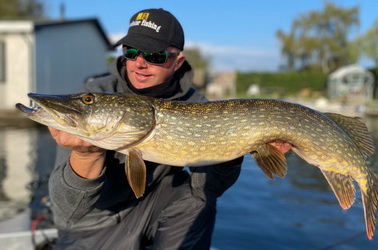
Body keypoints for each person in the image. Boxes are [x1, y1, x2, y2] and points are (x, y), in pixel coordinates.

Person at [48, 8, 292, 249]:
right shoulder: (97, 96)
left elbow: (209, 190)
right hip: (91, 226)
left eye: (154, 56)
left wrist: (234, 148)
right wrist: (85, 155)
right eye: (130, 51)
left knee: (195, 198)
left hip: (152, 209)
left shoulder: (196, 105)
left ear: (177, 62)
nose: (139, 63)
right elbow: (68, 210)